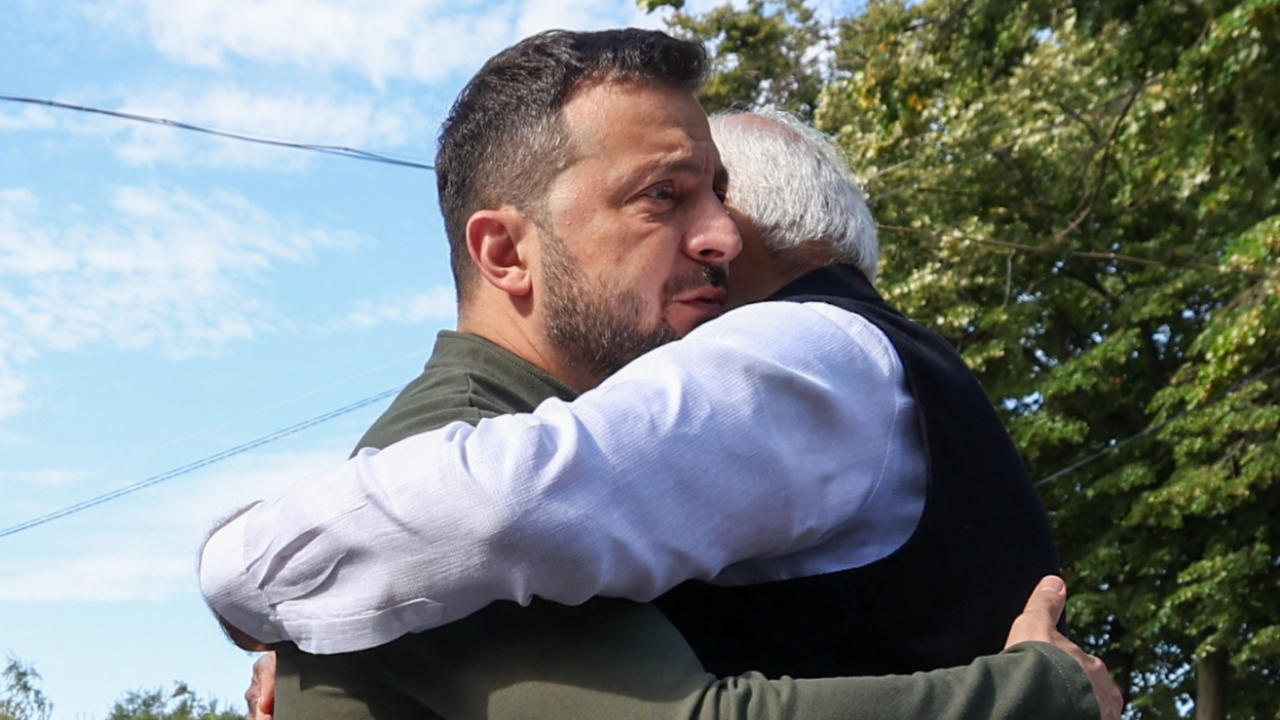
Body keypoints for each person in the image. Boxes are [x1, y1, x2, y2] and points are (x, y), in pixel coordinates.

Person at [201, 28, 1120, 720]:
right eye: (664, 197)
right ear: (507, 255)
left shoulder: (589, 480)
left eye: (719, 192)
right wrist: (1041, 690)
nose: (723, 234)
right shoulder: (442, 464)